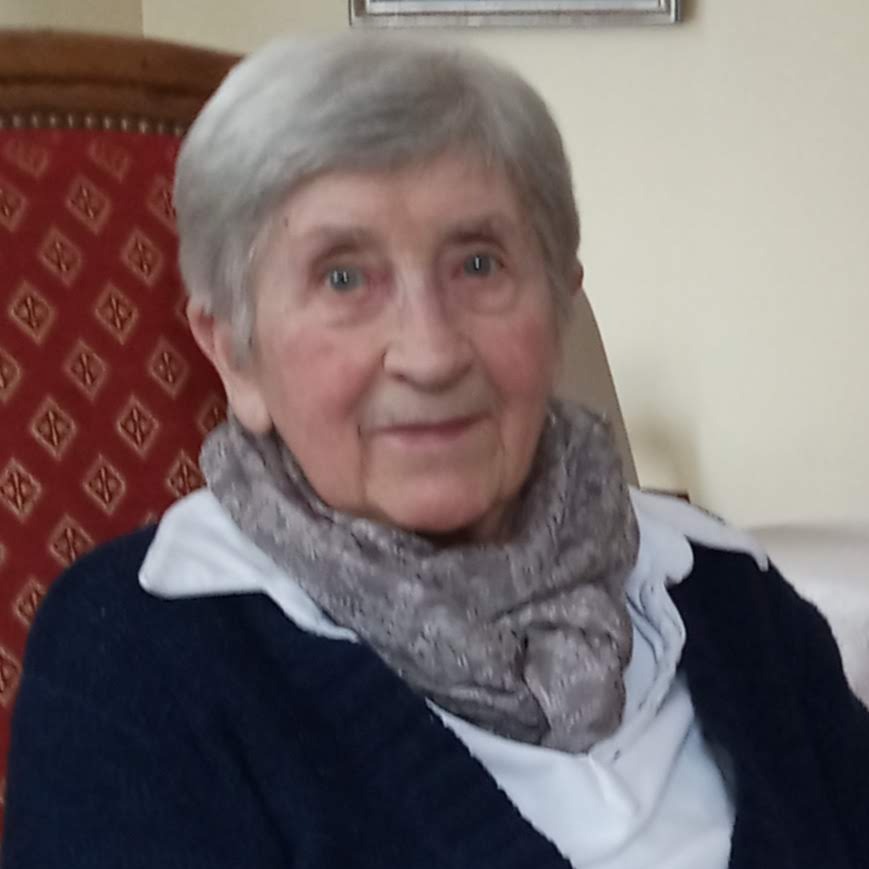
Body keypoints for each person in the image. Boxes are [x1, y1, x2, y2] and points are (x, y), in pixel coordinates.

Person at [3, 34, 867, 869]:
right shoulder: (138, 656)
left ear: (559, 306)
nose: (430, 352)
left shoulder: (720, 585)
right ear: (235, 353)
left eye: (479, 264)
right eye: (343, 277)